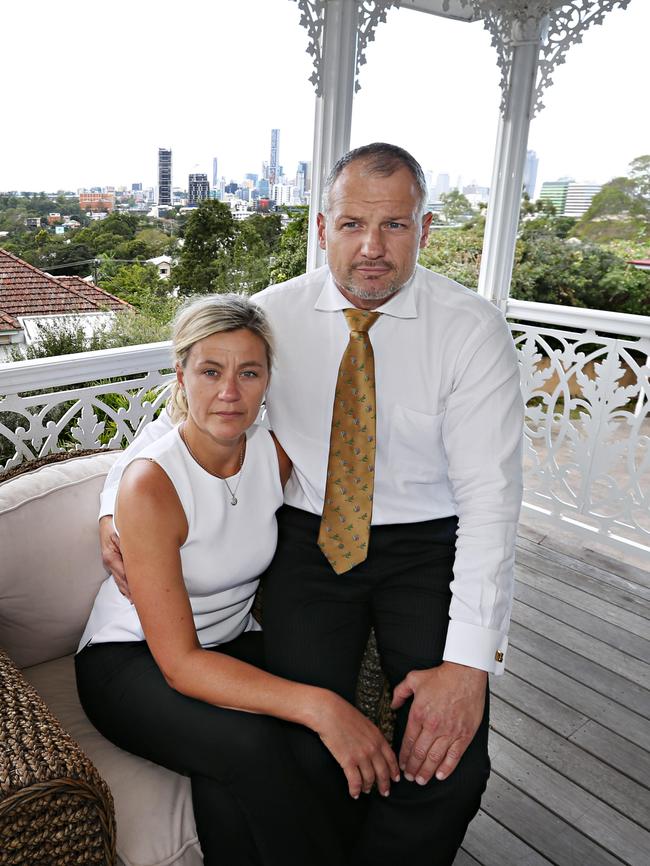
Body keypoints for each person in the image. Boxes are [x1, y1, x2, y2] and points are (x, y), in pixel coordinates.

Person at [99, 143, 524, 865]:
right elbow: (183, 413)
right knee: (305, 728)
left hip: (428, 542)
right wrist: (117, 502)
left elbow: (492, 499)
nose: (371, 248)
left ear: (424, 231)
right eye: (353, 223)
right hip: (308, 537)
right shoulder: (275, 316)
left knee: (452, 754)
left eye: (394, 226)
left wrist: (469, 665)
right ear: (322, 227)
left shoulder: (471, 331)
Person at [77, 294, 399, 866]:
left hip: (230, 642)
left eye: (249, 372)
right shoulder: (150, 484)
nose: (230, 392)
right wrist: (322, 706)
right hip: (132, 660)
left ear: (268, 380)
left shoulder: (274, 452)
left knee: (271, 759)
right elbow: (179, 664)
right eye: (210, 371)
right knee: (254, 744)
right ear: (181, 375)